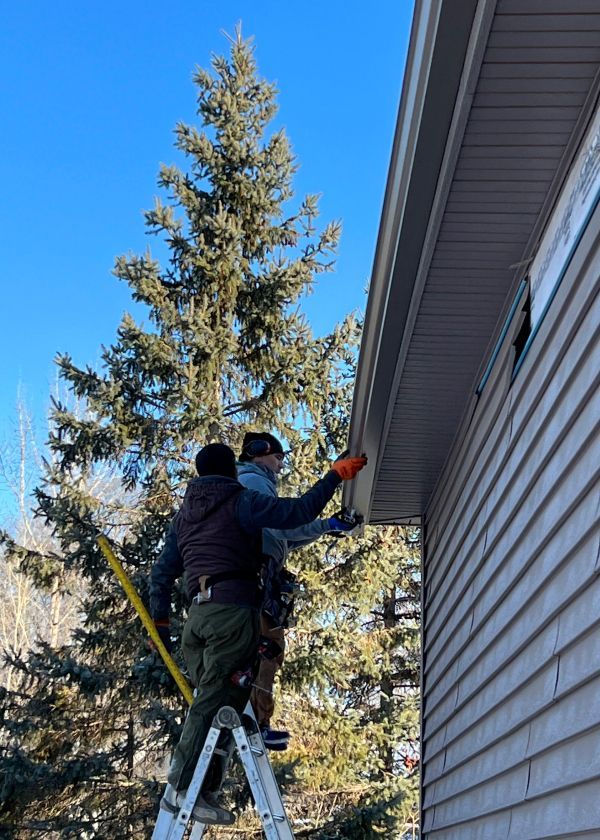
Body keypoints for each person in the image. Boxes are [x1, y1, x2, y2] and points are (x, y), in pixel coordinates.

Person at [149, 442, 366, 826]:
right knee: (214, 702)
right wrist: (336, 475)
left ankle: (205, 790)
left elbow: (162, 574)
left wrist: (161, 624)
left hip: (196, 620)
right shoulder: (241, 501)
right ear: (232, 470)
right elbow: (297, 511)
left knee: (221, 704)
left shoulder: (184, 517)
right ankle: (183, 788)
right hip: (232, 613)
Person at [236, 431, 359, 751]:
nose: (280, 467)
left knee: (265, 648)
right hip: (256, 577)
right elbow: (285, 524)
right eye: (277, 458)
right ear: (259, 453)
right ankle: (252, 724)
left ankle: (253, 721)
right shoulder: (252, 480)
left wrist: (327, 526)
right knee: (267, 648)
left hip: (262, 574)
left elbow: (284, 537)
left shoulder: (256, 483)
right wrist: (330, 491)